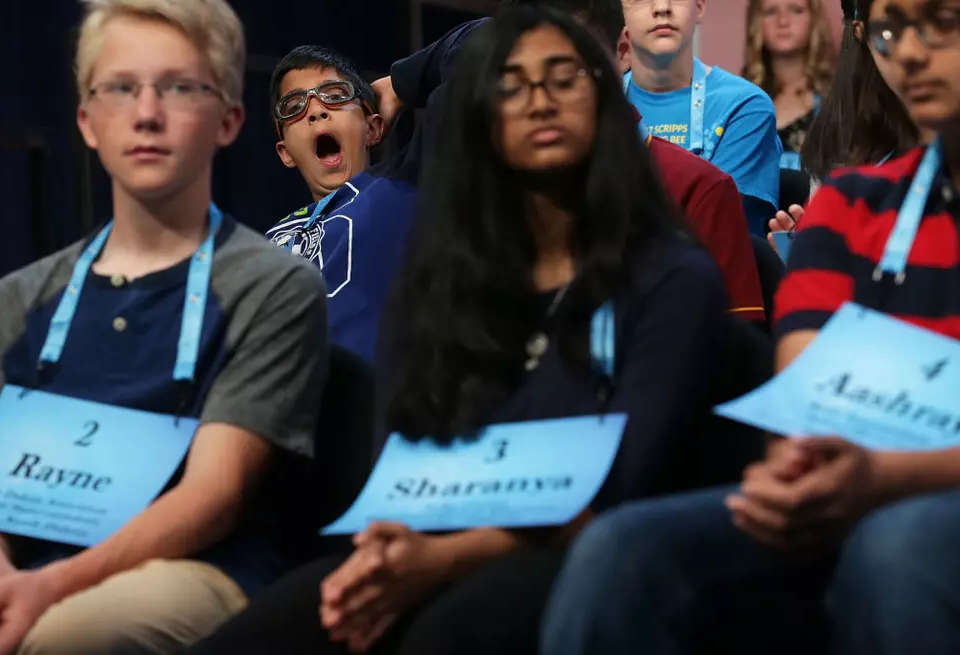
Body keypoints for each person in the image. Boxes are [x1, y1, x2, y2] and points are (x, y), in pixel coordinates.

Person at [184, 6, 729, 654]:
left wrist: (396, 80)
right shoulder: (447, 289)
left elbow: (621, 493)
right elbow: (404, 458)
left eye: (562, 79)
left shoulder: (671, 278)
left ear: (609, 97)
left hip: (581, 552)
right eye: (513, 86)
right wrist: (393, 546)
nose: (538, 103)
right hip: (418, 537)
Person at [543, 0, 960, 653]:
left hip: (910, 497)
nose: (909, 52)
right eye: (889, 28)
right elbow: (802, 406)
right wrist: (797, 474)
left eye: (942, 20)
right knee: (620, 551)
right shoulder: (846, 206)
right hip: (847, 485)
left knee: (896, 545)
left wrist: (882, 478)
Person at [0, 1, 328, 653]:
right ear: (86, 121)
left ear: (228, 120)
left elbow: (214, 496)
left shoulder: (272, 286)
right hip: (25, 563)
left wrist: (48, 586)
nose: (146, 113)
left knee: (63, 636)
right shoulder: (21, 296)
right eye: (120, 88)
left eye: (178, 87)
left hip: (198, 569)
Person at [376, 0, 766, 323]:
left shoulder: (699, 189)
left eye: (571, 69)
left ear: (623, 52)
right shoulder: (483, 194)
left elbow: (725, 368)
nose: (547, 98)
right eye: (522, 75)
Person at [265, 46, 418, 363]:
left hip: (376, 403)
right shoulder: (264, 244)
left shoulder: (404, 189)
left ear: (372, 128)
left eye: (335, 96)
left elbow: (486, 48)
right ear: (285, 152)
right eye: (294, 106)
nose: (316, 111)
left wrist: (397, 84)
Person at [768, 0, 924, 247]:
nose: (913, 50)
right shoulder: (839, 129)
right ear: (862, 31)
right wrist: (802, 253)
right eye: (892, 29)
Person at [622, 0, 782, 234]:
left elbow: (718, 229)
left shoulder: (744, 106)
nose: (662, 7)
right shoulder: (598, 103)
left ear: (699, 6)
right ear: (619, 15)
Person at [742, 0, 835, 166]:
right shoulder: (740, 101)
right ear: (756, 22)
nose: (783, 22)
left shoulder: (841, 97)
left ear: (814, 19)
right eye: (771, 11)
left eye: (796, 10)